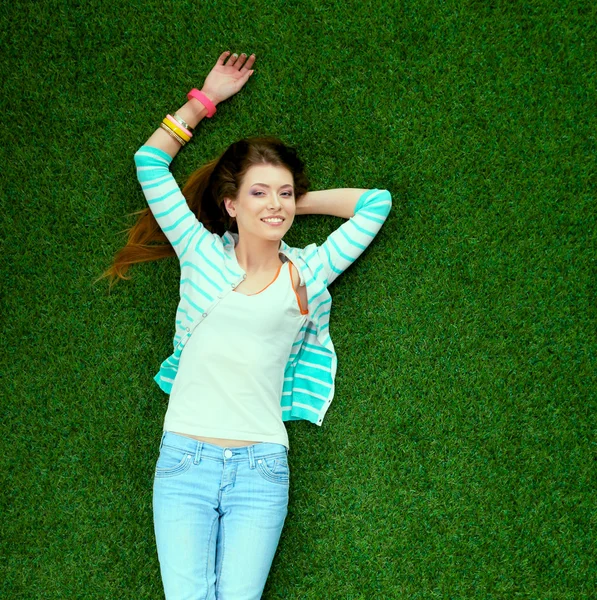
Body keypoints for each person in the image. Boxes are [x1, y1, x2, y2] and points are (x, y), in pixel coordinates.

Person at [100, 51, 392, 600]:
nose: (275, 203)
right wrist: (203, 101)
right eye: (258, 192)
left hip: (261, 469)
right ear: (229, 204)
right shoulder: (199, 251)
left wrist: (288, 207)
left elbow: (375, 204)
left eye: (284, 191)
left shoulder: (308, 271)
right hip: (184, 461)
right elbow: (149, 163)